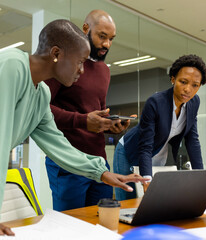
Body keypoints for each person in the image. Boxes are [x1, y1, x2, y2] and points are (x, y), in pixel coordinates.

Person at [0, 19, 145, 237]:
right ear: (56, 54)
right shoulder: (10, 66)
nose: (82, 71)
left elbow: (58, 144)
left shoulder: (41, 94)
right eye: (79, 62)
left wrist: (101, 172)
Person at [113, 54, 206, 201]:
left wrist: (204, 184)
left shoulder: (194, 102)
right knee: (129, 200)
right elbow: (145, 145)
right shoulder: (156, 102)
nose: (188, 89)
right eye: (183, 82)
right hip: (130, 151)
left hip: (158, 153)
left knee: (156, 201)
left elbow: (192, 142)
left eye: (195, 85)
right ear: (173, 79)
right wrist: (147, 180)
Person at [44, 10, 131, 211]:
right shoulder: (64, 63)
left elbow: (96, 113)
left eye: (111, 39)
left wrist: (111, 125)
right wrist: (83, 121)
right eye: (102, 36)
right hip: (67, 162)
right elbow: (41, 108)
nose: (107, 44)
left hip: (99, 163)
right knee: (70, 227)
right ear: (85, 29)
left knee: (100, 225)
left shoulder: (104, 70)